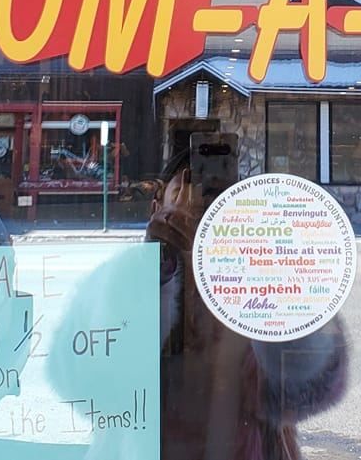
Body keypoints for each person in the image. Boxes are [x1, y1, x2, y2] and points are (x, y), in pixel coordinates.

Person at [147, 147, 349, 460]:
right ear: (157, 207)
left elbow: (308, 387)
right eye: (187, 196)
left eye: (214, 202)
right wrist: (157, 269)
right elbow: (95, 381)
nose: (201, 214)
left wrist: (285, 278)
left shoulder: (253, 281)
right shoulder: (134, 280)